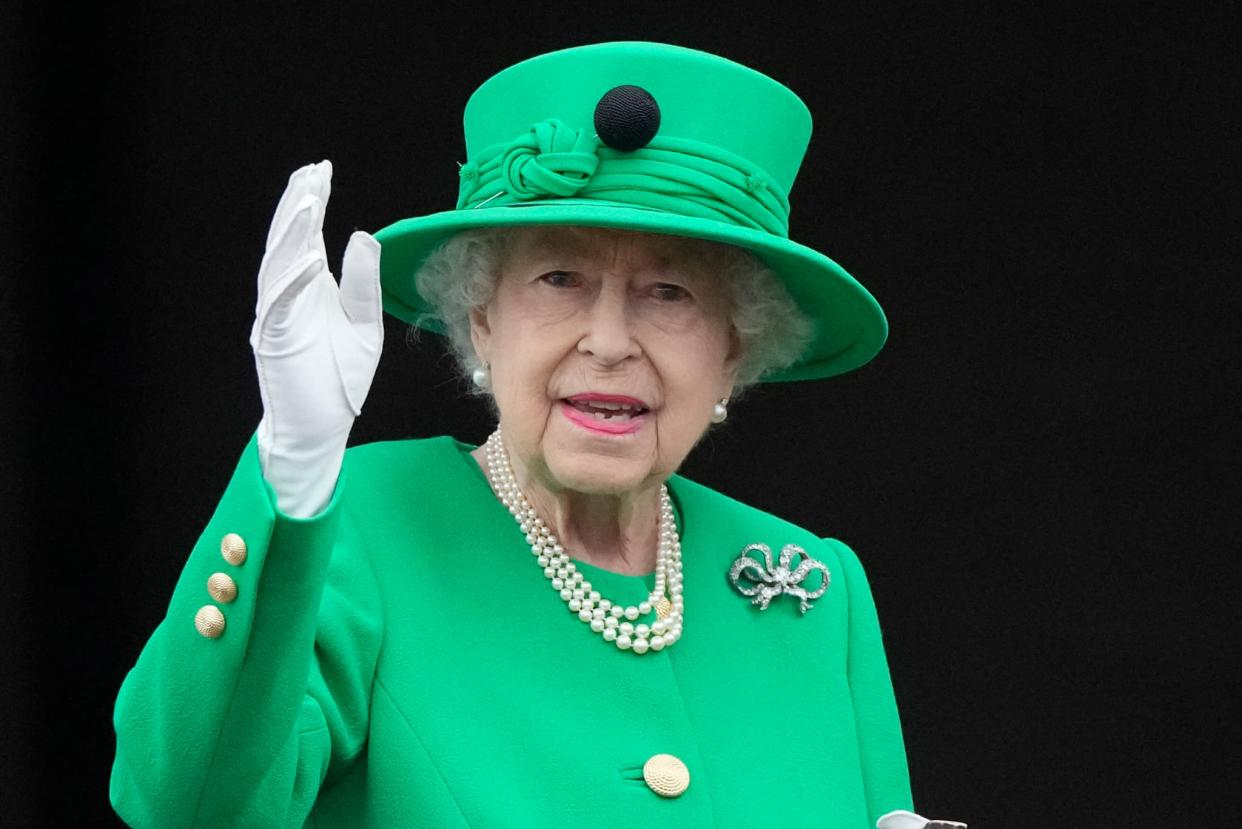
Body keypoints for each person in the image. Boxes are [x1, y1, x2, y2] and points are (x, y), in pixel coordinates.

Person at [109, 41, 966, 828]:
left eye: (669, 293)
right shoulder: (363, 526)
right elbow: (189, 806)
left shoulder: (814, 590)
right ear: (481, 322)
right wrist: (291, 474)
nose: (608, 340)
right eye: (560, 278)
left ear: (735, 350)